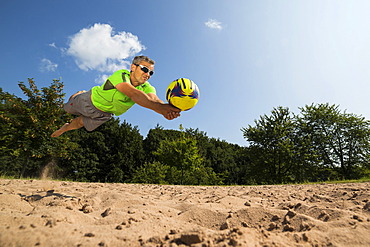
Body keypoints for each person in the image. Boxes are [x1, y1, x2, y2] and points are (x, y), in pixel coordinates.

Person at [51, 55, 181, 137]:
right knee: (66, 108)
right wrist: (161, 109)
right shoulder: (121, 75)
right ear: (133, 67)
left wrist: (167, 109)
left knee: (80, 123)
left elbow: (153, 99)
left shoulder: (147, 87)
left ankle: (65, 128)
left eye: (151, 73)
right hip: (89, 100)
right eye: (145, 69)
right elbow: (134, 94)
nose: (148, 74)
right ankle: (78, 94)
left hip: (104, 114)